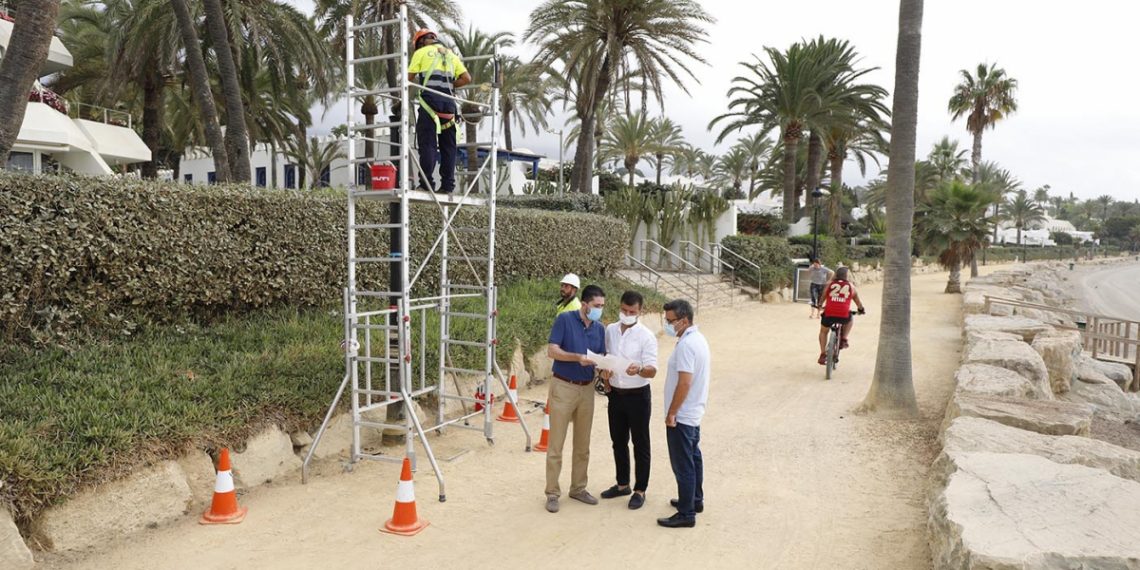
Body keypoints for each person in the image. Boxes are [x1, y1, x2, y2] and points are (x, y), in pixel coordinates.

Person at [544, 284, 607, 513]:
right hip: (563, 386)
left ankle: (578, 488)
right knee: (556, 444)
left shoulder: (600, 329)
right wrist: (577, 357)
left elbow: (601, 357)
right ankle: (552, 493)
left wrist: (605, 369)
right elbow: (552, 350)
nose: (599, 309)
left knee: (583, 444)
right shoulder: (564, 320)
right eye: (596, 305)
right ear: (585, 304)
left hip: (587, 389)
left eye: (602, 306)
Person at [599, 291, 658, 510]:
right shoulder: (610, 330)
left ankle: (640, 490)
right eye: (624, 310)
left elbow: (652, 370)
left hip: (638, 395)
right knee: (618, 440)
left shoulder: (646, 336)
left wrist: (640, 369)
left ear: (640, 311)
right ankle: (622, 483)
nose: (627, 314)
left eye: (632, 312)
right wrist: (605, 376)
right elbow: (606, 357)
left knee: (640, 443)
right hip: (616, 394)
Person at [658, 299, 710, 529]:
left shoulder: (687, 345)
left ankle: (686, 513)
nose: (668, 325)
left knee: (683, 464)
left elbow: (684, 383)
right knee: (693, 457)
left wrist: (672, 412)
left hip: (683, 414)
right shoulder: (697, 339)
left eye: (671, 321)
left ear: (684, 320)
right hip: (693, 411)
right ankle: (694, 500)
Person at [408, 29, 471, 194]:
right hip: (449, 105)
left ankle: (426, 184)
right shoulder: (451, 55)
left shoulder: (421, 53)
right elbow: (467, 78)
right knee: (448, 147)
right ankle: (447, 187)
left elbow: (408, 78)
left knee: (428, 144)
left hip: (429, 103)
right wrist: (449, 85)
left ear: (420, 42)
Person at [817, 266, 866, 365]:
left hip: (829, 314)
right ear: (846, 276)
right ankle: (843, 339)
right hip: (843, 315)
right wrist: (861, 309)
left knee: (823, 332)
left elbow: (823, 297)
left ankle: (822, 354)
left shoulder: (830, 284)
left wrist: (820, 305)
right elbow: (857, 301)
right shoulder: (851, 286)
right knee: (850, 319)